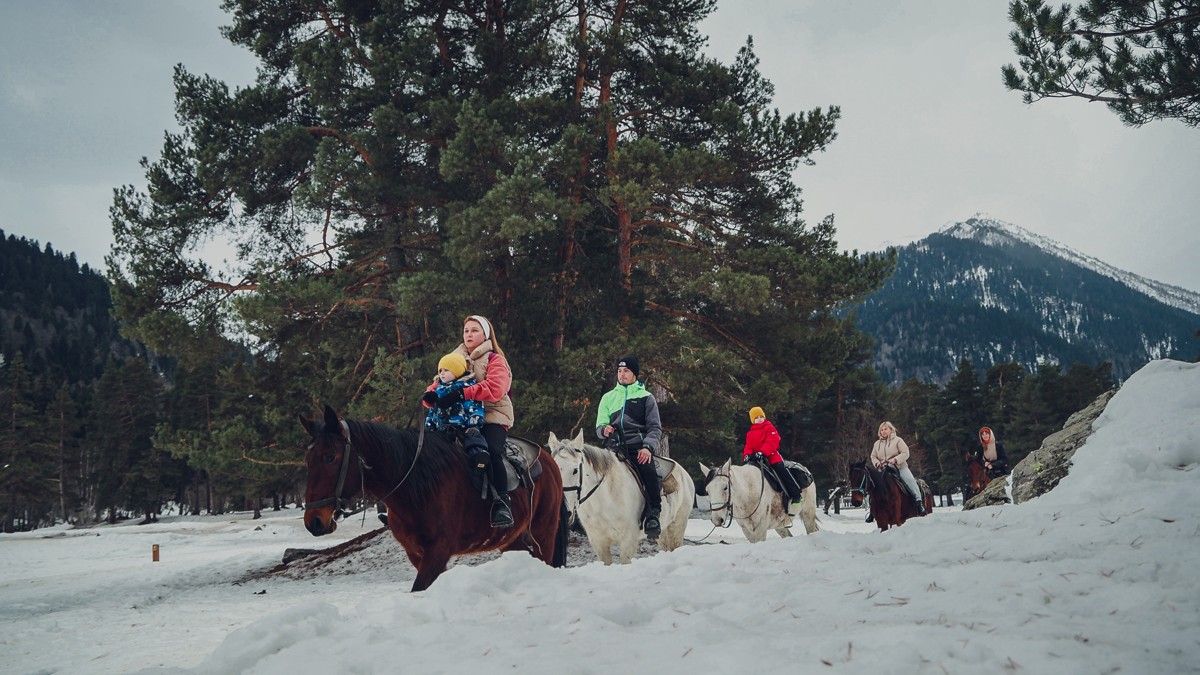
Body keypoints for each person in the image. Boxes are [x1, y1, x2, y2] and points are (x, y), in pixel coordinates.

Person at [430, 315, 516, 528]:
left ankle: (502, 502)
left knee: (492, 451)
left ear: (485, 335)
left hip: (491, 415)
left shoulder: (496, 360)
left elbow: (496, 388)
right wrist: (431, 397)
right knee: (428, 451)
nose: (469, 334)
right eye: (466, 330)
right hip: (457, 418)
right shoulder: (454, 358)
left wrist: (462, 394)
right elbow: (438, 383)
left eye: (474, 330)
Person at [595, 355, 663, 539]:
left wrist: (647, 447)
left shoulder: (646, 398)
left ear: (634, 374)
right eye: (619, 371)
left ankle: (653, 514)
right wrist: (604, 430)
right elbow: (599, 426)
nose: (622, 374)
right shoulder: (608, 398)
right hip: (612, 448)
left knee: (649, 472)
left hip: (637, 447)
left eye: (626, 371)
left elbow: (655, 428)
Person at [419, 352, 490, 473]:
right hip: (441, 431)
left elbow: (475, 408)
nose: (442, 373)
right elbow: (433, 411)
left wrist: (473, 425)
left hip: (462, 429)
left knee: (473, 440)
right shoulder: (437, 390)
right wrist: (430, 425)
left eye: (446, 370)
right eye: (440, 370)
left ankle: (479, 457)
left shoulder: (466, 388)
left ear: (457, 372)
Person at [741, 406, 805, 514]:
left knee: (782, 471)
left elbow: (772, 441)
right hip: (757, 460)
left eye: (762, 416)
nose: (760, 419)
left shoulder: (769, 427)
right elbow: (749, 446)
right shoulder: (750, 434)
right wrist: (747, 455)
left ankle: (796, 494)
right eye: (757, 417)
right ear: (752, 420)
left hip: (772, 458)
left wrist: (762, 452)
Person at [869, 421, 926, 515]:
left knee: (910, 480)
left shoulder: (898, 440)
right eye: (882, 430)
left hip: (899, 468)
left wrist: (895, 459)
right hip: (883, 470)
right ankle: (872, 510)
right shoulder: (876, 444)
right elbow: (873, 456)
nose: (883, 431)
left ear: (891, 429)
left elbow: (905, 453)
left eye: (886, 429)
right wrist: (877, 463)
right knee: (873, 486)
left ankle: (919, 502)